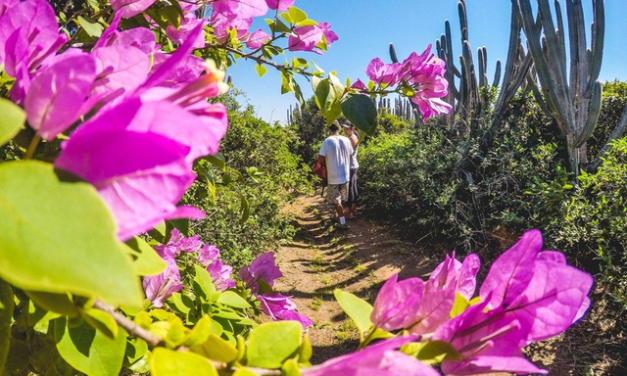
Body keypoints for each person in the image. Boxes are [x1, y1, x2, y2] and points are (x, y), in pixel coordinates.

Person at [317, 121, 353, 229]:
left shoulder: (327, 141)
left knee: (336, 201)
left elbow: (320, 159)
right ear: (339, 128)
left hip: (333, 176)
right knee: (340, 199)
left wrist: (326, 166)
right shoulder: (346, 140)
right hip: (345, 175)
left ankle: (342, 223)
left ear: (329, 129)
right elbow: (350, 156)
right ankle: (337, 216)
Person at [342, 121, 359, 218]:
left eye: (347, 129)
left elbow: (349, 154)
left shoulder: (352, 138)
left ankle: (349, 210)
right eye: (344, 129)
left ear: (352, 129)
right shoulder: (350, 138)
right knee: (353, 186)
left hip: (351, 165)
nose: (345, 131)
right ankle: (353, 208)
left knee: (350, 187)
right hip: (352, 165)